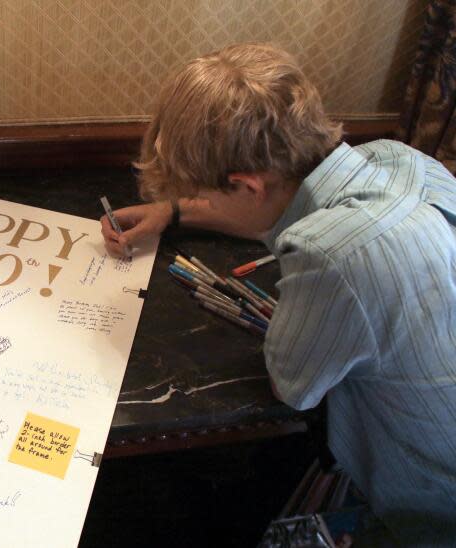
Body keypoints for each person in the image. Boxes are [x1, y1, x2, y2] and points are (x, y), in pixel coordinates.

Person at [101, 43, 456, 545]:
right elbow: (282, 209)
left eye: (206, 193)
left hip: (431, 502)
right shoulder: (397, 159)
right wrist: (175, 212)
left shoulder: (329, 256)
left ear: (247, 185)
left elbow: (292, 386)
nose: (197, 200)